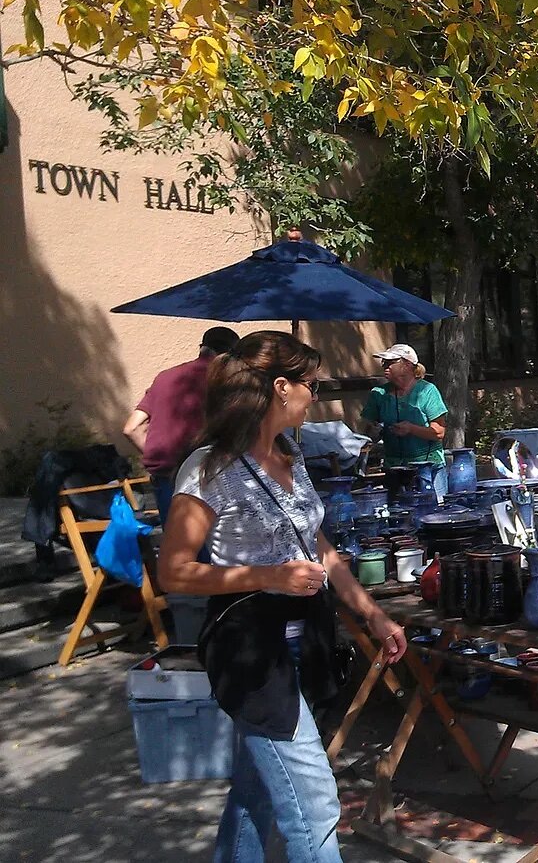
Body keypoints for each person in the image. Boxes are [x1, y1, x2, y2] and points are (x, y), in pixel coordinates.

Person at [156, 331, 406, 863]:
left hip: (304, 640)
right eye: (310, 385)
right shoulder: (209, 468)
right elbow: (174, 572)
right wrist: (267, 576)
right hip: (250, 648)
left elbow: (318, 546)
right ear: (280, 387)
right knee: (313, 806)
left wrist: (373, 614)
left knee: (259, 794)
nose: (314, 395)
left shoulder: (288, 454)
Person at [123, 326, 241, 521]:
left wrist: (163, 458)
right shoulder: (224, 381)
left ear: (202, 347)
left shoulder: (164, 377)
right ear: (228, 355)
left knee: (176, 547)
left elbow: (131, 428)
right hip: (206, 477)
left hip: (165, 477)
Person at [359, 344, 448, 500]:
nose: (384, 366)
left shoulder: (427, 391)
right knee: (398, 517)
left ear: (407, 365)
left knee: (434, 514)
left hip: (427, 467)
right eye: (383, 363)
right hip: (394, 468)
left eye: (390, 362)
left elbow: (439, 432)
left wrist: (411, 429)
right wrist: (373, 431)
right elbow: (367, 431)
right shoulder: (378, 394)